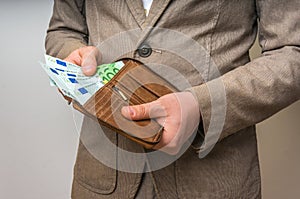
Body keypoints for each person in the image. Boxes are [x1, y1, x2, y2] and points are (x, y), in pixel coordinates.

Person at [45, 0, 300, 198]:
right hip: (102, 180)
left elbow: (292, 52)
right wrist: (72, 59)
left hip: (212, 178)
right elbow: (63, 30)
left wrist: (202, 107)